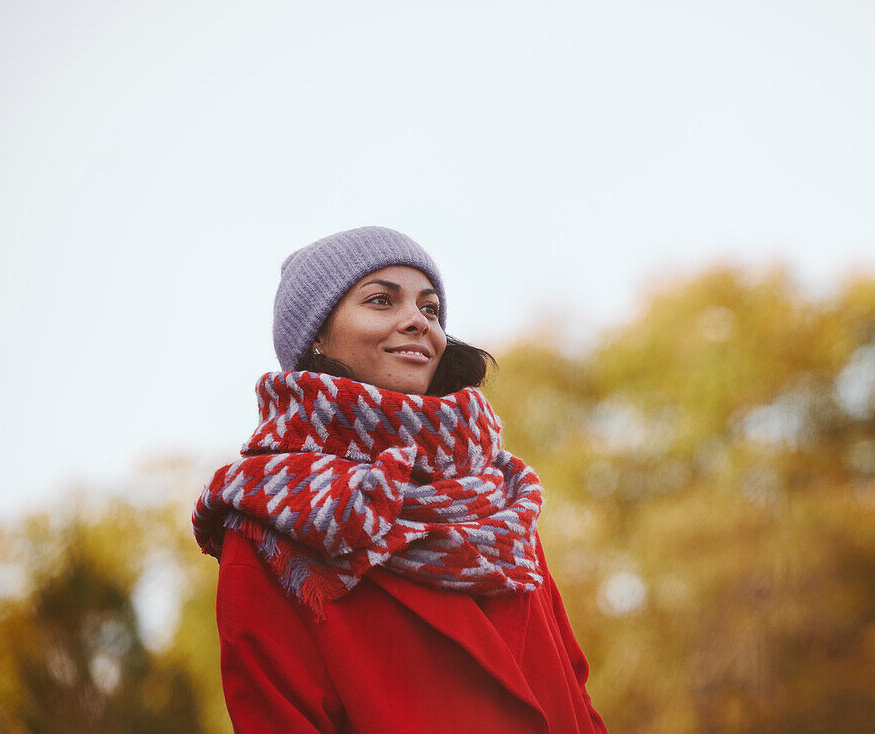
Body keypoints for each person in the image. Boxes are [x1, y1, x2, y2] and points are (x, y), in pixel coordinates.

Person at [193, 226, 608, 733]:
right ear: (316, 335)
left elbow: (573, 683)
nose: (416, 321)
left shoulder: (497, 496)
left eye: (429, 308)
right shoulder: (271, 518)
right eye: (381, 300)